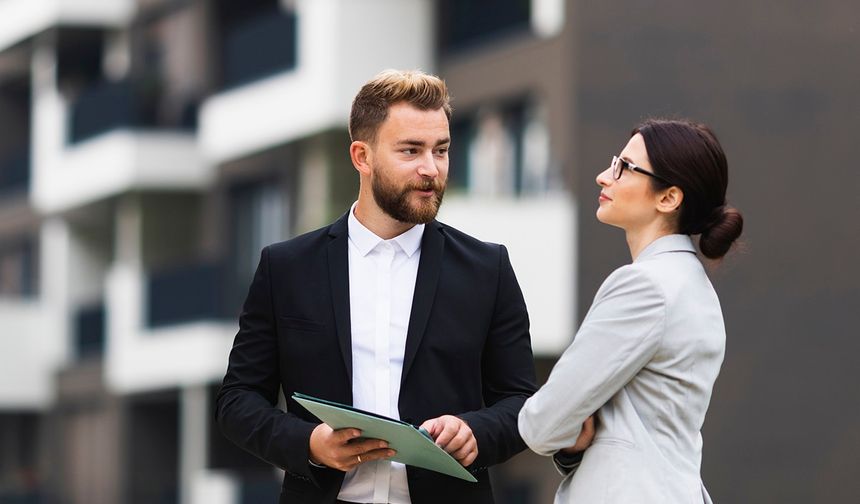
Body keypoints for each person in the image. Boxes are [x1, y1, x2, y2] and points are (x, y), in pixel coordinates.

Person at [216, 69, 536, 504]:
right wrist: (311, 444)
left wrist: (476, 433)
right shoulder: (286, 267)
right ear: (361, 156)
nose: (431, 168)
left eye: (441, 150)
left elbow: (521, 401)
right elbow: (237, 401)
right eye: (411, 151)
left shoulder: (488, 268)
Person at [518, 119, 743, 503]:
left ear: (669, 198)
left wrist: (567, 429)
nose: (604, 177)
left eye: (624, 167)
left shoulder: (644, 286)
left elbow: (540, 424)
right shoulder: (694, 287)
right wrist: (573, 440)